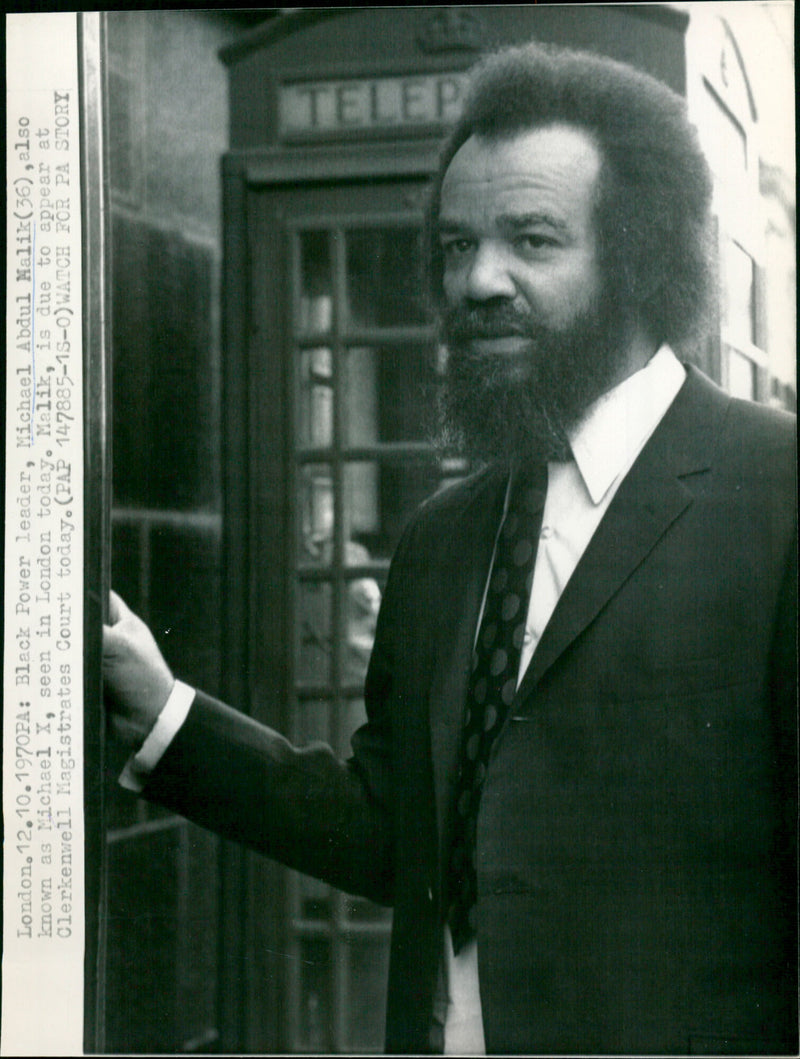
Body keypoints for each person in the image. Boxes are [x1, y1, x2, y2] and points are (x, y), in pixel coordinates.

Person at [103, 42, 797, 1055]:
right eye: (451, 244)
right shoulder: (443, 536)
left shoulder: (776, 496)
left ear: (640, 254)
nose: (475, 281)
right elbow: (395, 831)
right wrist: (163, 713)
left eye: (531, 239)